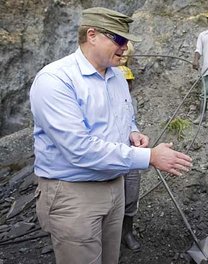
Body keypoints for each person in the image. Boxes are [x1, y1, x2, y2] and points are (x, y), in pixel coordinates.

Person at [30, 7, 192, 264]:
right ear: (91, 35)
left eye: (126, 40)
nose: (125, 47)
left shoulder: (116, 76)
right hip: (75, 194)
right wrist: (149, 156)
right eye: (118, 39)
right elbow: (79, 149)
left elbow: (125, 116)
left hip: (115, 186)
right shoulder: (55, 80)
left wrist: (133, 132)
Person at [117, 41, 143, 251]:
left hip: (131, 153)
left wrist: (135, 134)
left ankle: (127, 232)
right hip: (113, 155)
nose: (128, 86)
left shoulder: (130, 101)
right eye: (124, 82)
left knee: (131, 194)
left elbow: (130, 122)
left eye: (130, 82)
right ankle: (110, 234)